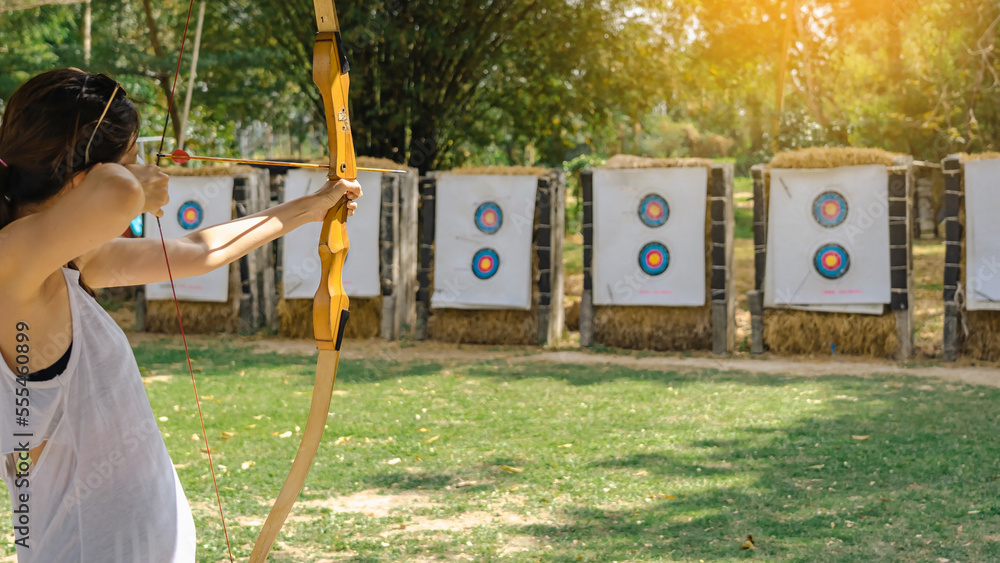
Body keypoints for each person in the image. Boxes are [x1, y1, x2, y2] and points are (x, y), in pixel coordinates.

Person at [0, 68, 361, 562]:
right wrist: (131, 186)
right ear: (83, 177)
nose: (145, 172)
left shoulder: (65, 266)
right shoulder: (12, 272)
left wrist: (310, 207)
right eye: (132, 159)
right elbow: (116, 194)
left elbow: (197, 250)